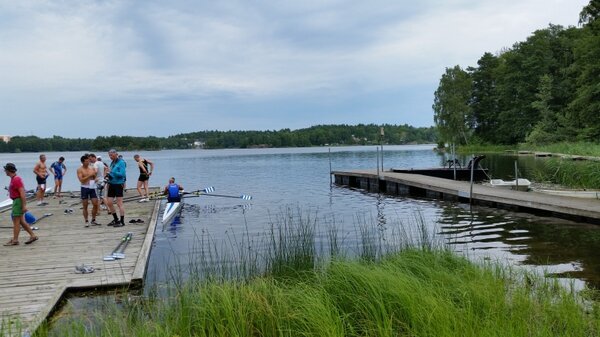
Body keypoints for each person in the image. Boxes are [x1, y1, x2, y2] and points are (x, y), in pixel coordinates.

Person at [3, 163, 38, 246]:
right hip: (16, 201)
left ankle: (15, 240)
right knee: (21, 221)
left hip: (18, 201)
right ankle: (33, 235)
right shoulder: (13, 178)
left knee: (16, 222)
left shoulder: (16, 179)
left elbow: (22, 193)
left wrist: (24, 205)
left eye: (5, 170)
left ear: (8, 170)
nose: (5, 171)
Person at [105, 149, 127, 227]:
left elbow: (122, 174)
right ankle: (116, 219)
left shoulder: (121, 162)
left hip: (118, 184)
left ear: (116, 154)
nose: (110, 157)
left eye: (112, 155)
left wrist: (111, 171)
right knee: (109, 203)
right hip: (111, 184)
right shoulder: (112, 162)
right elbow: (111, 174)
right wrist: (108, 175)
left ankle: (122, 221)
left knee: (119, 203)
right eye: (109, 155)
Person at [77, 154, 99, 227]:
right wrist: (89, 176)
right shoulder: (80, 169)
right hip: (84, 188)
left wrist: (95, 179)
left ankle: (93, 219)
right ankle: (86, 220)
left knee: (95, 204)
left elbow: (94, 177)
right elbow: (81, 180)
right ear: (83, 162)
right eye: (86, 161)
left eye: (88, 161)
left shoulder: (91, 168)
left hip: (92, 187)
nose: (88, 162)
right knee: (85, 205)